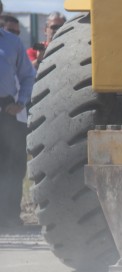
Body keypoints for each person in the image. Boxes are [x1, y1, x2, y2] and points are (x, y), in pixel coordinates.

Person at [0, 1, 36, 227]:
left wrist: (21, 102)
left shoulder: (12, 43)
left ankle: (9, 216)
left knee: (13, 164)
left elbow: (27, 75)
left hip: (7, 110)